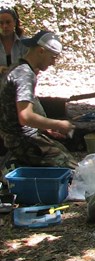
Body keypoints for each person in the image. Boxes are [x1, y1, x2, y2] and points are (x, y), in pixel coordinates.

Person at [0, 30, 76, 167]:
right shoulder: (25, 75)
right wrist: (59, 124)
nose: (53, 63)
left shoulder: (17, 66)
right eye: (53, 57)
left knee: (61, 150)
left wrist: (45, 127)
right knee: (74, 171)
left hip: (13, 135)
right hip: (21, 139)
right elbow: (25, 117)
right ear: (41, 51)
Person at [0, 6, 28, 76]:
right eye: (1, 23)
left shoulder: (25, 43)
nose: (5, 26)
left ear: (15, 22)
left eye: (8, 22)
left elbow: (33, 67)